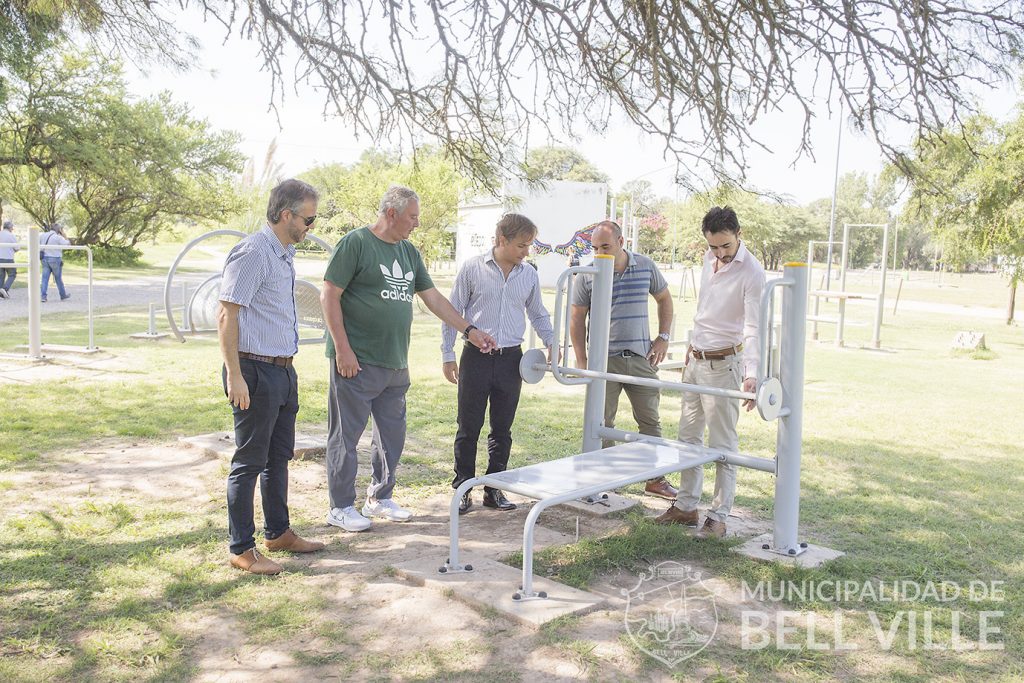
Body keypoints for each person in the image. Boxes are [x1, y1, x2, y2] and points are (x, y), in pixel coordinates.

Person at [321, 185, 496, 533]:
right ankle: (340, 506)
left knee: (392, 436)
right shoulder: (356, 243)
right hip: (356, 360)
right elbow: (329, 294)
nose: (416, 223)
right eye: (412, 216)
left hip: (395, 362)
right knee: (346, 437)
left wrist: (469, 330)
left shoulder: (409, 253)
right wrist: (342, 348)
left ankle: (380, 497)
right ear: (391, 213)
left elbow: (433, 298)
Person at [217, 179, 326, 575]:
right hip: (253, 370)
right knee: (249, 461)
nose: (311, 226)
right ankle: (241, 549)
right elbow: (228, 313)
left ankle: (278, 533)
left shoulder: (284, 253)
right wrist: (235, 375)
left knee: (278, 457)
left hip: (283, 369)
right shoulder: (253, 252)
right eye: (308, 219)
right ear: (286, 215)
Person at [656, 206, 765, 538]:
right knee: (687, 438)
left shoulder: (752, 273)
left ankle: (719, 515)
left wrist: (752, 372)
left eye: (725, 246)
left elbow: (754, 326)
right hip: (696, 359)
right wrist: (691, 347)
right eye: (714, 246)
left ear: (738, 234)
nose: (720, 253)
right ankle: (686, 507)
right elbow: (706, 308)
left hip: (724, 364)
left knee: (722, 444)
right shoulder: (708, 259)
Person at [442, 213, 555, 514]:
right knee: (468, 426)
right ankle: (462, 487)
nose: (526, 252)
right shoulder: (472, 269)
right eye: (522, 245)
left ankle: (494, 489)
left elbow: (538, 313)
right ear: (502, 240)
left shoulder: (528, 274)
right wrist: (447, 353)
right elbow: (452, 311)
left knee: (502, 429)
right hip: (475, 359)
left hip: (512, 361)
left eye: (529, 245)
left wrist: (551, 341)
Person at [570, 220, 677, 500]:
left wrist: (663, 336)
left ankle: (655, 479)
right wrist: (582, 360)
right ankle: (602, 479)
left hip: (641, 357)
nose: (600, 253)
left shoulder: (645, 265)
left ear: (622, 241)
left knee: (650, 420)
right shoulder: (588, 273)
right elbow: (577, 317)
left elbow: (664, 299)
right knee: (602, 422)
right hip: (603, 360)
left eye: (605, 246)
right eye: (595, 248)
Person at [40, 223, 71, 302]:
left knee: (44, 279)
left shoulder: (43, 235)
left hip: (44, 258)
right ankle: (63, 295)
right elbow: (68, 244)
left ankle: (43, 296)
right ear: (59, 230)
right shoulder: (58, 237)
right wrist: (64, 235)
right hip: (55, 259)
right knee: (58, 278)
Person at [0, 220, 17, 298]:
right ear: (10, 227)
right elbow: (17, 248)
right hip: (8, 258)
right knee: (12, 274)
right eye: (12, 228)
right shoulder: (11, 235)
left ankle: (1, 294)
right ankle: (5, 289)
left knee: (1, 276)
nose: (12, 229)